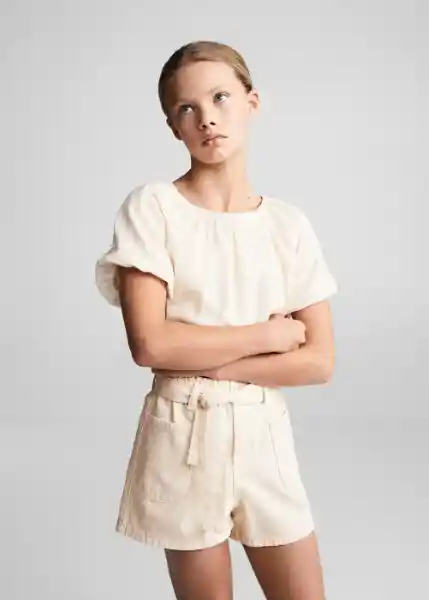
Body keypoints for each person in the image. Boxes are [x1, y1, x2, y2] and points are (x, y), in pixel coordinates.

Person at [95, 40, 338, 600]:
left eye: (221, 97)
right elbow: (151, 345)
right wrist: (268, 337)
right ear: (172, 126)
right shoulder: (152, 208)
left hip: (263, 435)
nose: (207, 117)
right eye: (187, 108)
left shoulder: (288, 225)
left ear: (252, 102)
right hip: (183, 435)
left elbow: (319, 362)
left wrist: (209, 361)